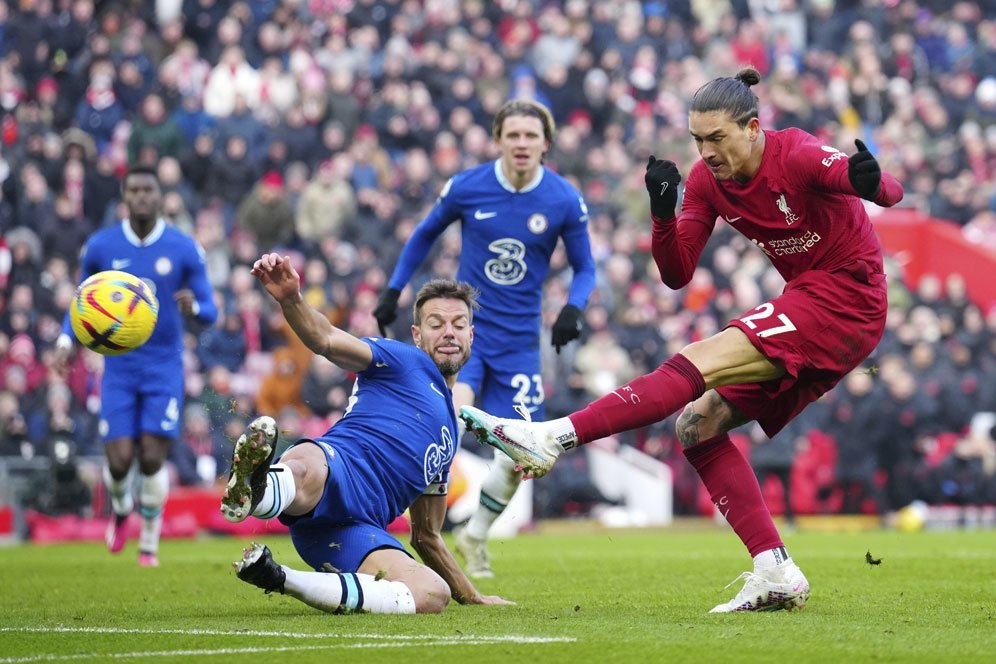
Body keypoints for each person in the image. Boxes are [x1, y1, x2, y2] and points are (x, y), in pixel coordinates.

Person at [460, 67, 904, 613]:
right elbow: (676, 272)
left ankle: (553, 437)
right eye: (698, 139)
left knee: (697, 360)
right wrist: (663, 213)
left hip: (847, 300)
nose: (707, 151)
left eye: (717, 138)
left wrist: (870, 181)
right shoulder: (706, 181)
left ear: (753, 127)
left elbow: (890, 190)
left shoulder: (800, 155)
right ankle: (774, 570)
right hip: (818, 307)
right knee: (697, 425)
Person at [373, 99, 596, 578]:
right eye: (512, 135)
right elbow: (422, 235)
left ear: (545, 144)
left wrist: (574, 307)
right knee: (447, 420)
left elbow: (586, 266)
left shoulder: (562, 198)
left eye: (530, 136)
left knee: (525, 457)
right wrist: (394, 290)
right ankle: (418, 534)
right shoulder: (468, 186)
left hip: (520, 345)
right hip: (464, 335)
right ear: (498, 139)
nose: (521, 144)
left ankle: (475, 534)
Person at [223, 261, 510, 614]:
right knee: (307, 469)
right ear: (417, 335)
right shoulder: (401, 359)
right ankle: (256, 490)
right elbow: (326, 339)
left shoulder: (449, 435)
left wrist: (472, 595)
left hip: (353, 533)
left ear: (471, 336)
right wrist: (291, 300)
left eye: (459, 325)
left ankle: (278, 577)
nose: (449, 332)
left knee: (432, 594)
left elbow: (426, 537)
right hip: (336, 470)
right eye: (436, 324)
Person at [56, 165, 218, 567]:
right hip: (119, 368)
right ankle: (120, 507)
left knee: (150, 458)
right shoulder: (100, 246)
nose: (143, 196)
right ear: (124, 197)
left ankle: (148, 542)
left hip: (164, 366)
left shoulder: (183, 247)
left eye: (150, 190)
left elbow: (212, 309)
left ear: (160, 196)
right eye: (136, 190)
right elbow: (80, 302)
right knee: (117, 460)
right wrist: (65, 339)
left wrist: (193, 307)